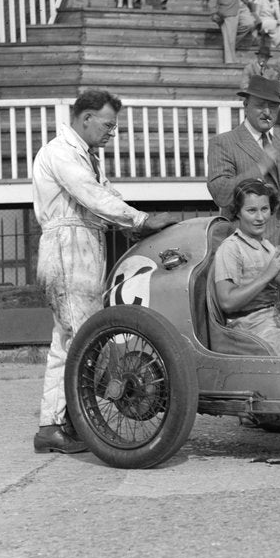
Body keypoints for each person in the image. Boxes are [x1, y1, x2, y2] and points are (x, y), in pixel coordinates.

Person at [31, 90, 177, 454]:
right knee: (85, 338)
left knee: (66, 341)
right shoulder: (61, 152)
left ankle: (54, 424)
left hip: (80, 245)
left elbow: (103, 193)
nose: (113, 131)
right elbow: (91, 196)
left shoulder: (87, 157)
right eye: (108, 124)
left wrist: (130, 222)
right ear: (85, 119)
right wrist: (140, 219)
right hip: (67, 248)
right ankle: (82, 421)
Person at [207, 76, 280, 246]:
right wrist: (261, 166)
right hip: (242, 252)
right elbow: (221, 194)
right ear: (245, 105)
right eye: (260, 105)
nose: (267, 113)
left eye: (273, 107)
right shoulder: (223, 143)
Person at [212, 179, 280, 359]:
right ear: (238, 213)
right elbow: (227, 302)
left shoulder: (267, 246)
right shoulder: (231, 248)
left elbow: (273, 292)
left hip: (274, 319)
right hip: (248, 328)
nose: (260, 217)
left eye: (264, 209)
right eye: (251, 210)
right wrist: (269, 273)